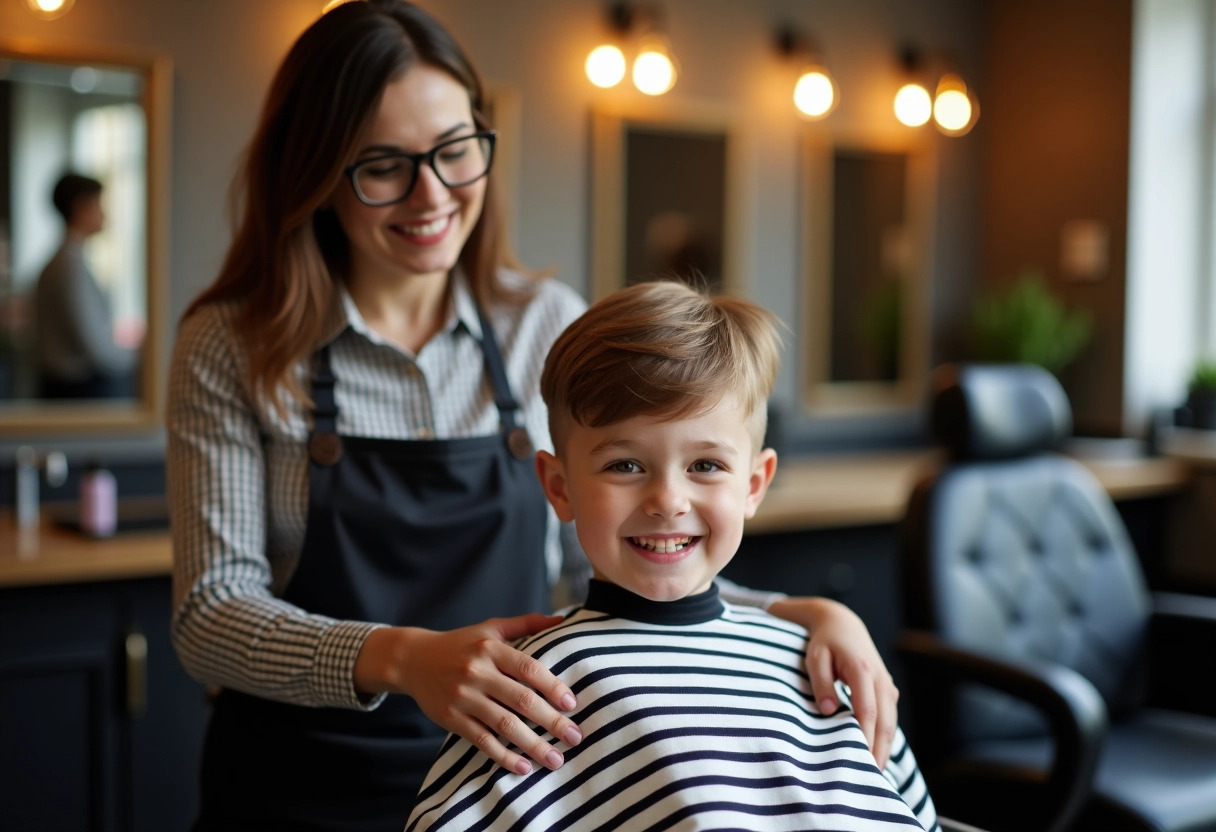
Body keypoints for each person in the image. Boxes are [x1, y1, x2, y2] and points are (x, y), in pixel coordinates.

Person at [166, 3, 899, 830]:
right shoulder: (231, 343)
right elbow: (212, 613)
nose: (431, 194)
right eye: (382, 165)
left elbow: (630, 546)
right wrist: (408, 659)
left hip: (519, 781)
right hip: (297, 788)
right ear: (314, 171)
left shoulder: (544, 324)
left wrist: (799, 615)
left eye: (454, 152)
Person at [405, 280, 939, 832]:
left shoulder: (825, 666)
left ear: (754, 485)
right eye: (625, 465)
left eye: (705, 466)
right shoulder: (533, 686)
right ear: (560, 487)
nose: (667, 502)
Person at [33, 172, 138, 399]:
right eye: (99, 204)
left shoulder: (66, 262)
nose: (104, 214)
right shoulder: (69, 268)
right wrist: (139, 358)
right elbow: (94, 346)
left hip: (69, 387)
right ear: (81, 207)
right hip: (75, 391)